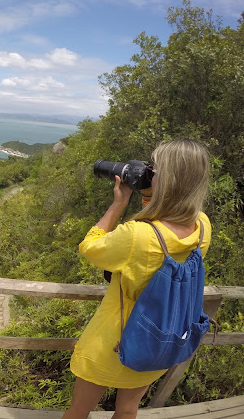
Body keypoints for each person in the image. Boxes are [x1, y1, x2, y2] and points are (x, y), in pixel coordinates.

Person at [62, 139, 211, 419]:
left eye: (154, 170)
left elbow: (90, 246)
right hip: (160, 338)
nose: (149, 173)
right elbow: (164, 233)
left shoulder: (137, 235)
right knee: (129, 409)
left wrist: (119, 204)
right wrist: (148, 195)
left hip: (115, 340)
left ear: (167, 180)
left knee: (79, 410)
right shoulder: (202, 226)